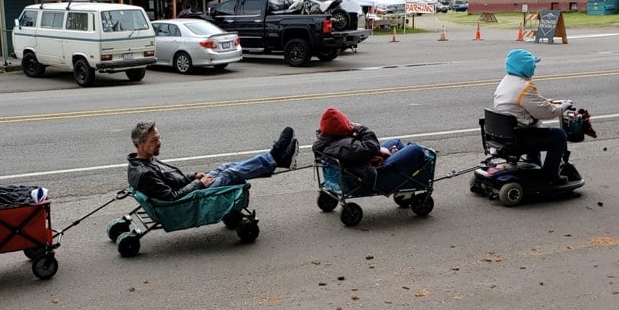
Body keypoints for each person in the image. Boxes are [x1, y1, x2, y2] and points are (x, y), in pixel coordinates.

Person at [127, 121, 298, 201]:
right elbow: (171, 198)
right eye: (154, 140)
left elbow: (171, 179)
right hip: (187, 200)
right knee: (230, 173)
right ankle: (275, 156)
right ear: (138, 144)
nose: (159, 143)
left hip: (190, 188)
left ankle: (276, 159)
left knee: (227, 166)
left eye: (159, 138)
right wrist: (199, 184)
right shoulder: (145, 173)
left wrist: (194, 176)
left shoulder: (145, 161)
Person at [493, 49, 570, 185]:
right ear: (525, 67)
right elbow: (547, 112)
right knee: (559, 136)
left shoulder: (507, 81)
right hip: (518, 138)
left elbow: (531, 103)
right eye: (533, 64)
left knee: (535, 129)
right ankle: (551, 176)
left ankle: (533, 165)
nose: (534, 67)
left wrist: (548, 101)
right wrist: (563, 106)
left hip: (502, 136)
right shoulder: (524, 88)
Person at [312, 107, 429, 193]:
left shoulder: (324, 142)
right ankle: (410, 179)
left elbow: (362, 150)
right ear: (341, 129)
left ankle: (406, 174)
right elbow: (372, 147)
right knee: (416, 149)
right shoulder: (345, 145)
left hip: (356, 167)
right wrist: (360, 129)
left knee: (396, 142)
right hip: (371, 175)